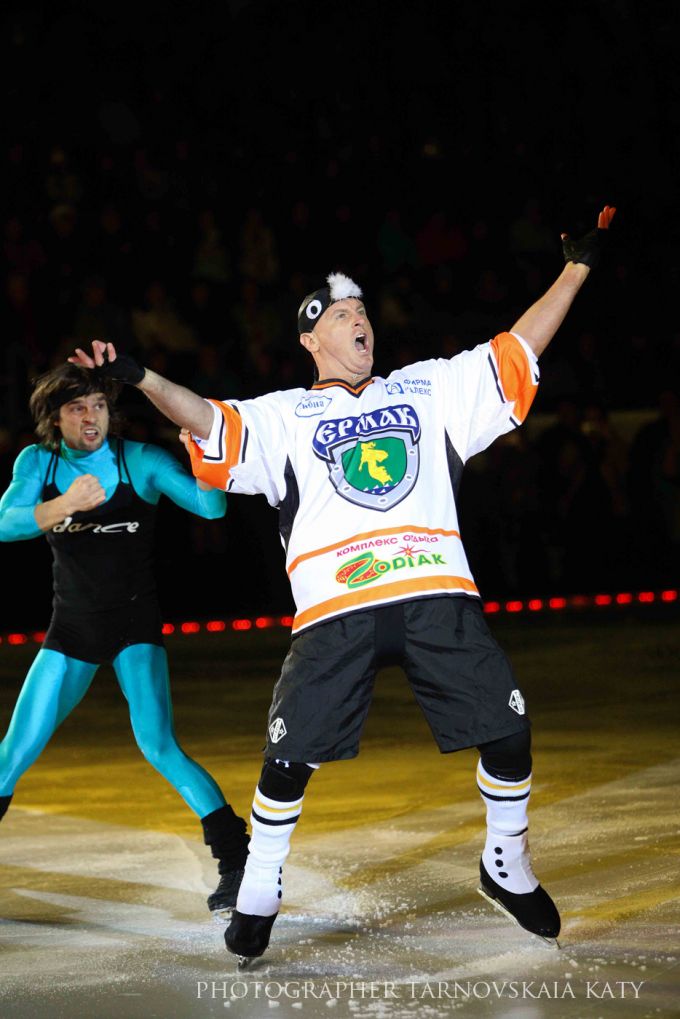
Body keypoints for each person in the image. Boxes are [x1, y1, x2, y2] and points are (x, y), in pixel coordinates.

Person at [70, 205, 616, 963]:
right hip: (335, 607)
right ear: (311, 339)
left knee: (509, 731)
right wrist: (139, 377)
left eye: (363, 311)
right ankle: (261, 880)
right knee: (288, 757)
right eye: (342, 314)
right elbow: (206, 419)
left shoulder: (430, 389)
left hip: (435, 590)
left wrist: (576, 268)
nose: (360, 320)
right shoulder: (284, 416)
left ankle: (505, 861)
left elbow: (517, 349)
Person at [0, 363, 249, 916]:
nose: (91, 417)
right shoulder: (38, 462)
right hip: (71, 630)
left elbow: (212, 507)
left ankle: (237, 862)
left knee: (159, 746)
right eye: (76, 408)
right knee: (11, 755)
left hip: (134, 626)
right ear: (55, 418)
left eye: (98, 405)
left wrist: (200, 455)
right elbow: (4, 523)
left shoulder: (139, 460)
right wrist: (65, 504)